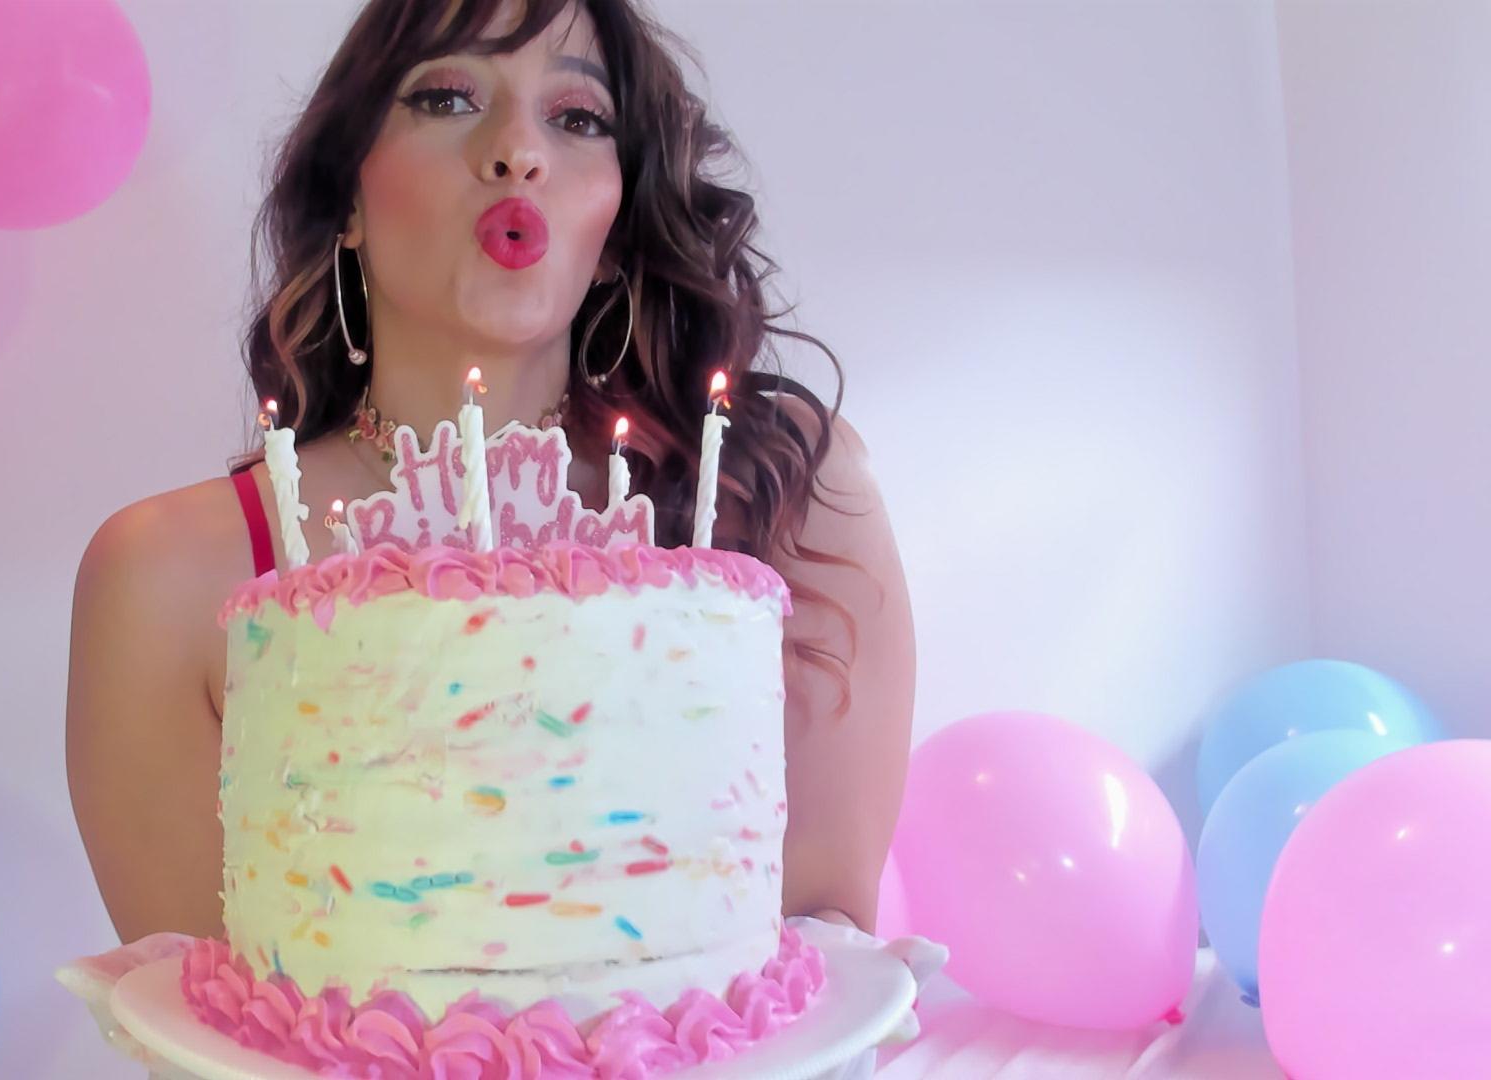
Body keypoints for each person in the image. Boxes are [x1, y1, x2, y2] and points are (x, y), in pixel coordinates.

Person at [66, 0, 914, 950]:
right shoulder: (165, 579)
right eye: (447, 98)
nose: (518, 153)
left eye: (578, 117)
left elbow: (826, 957)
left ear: (616, 231)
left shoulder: (784, 490)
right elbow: (210, 1015)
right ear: (347, 199)